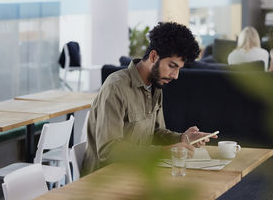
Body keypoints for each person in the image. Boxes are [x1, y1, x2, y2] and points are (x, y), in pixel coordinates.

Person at [82, 22, 217, 174]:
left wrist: (182, 139)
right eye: (172, 66)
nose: (176, 76)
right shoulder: (116, 87)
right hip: (105, 179)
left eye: (179, 68)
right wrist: (164, 152)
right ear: (153, 56)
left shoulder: (155, 86)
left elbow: (155, 133)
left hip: (135, 172)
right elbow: (108, 151)